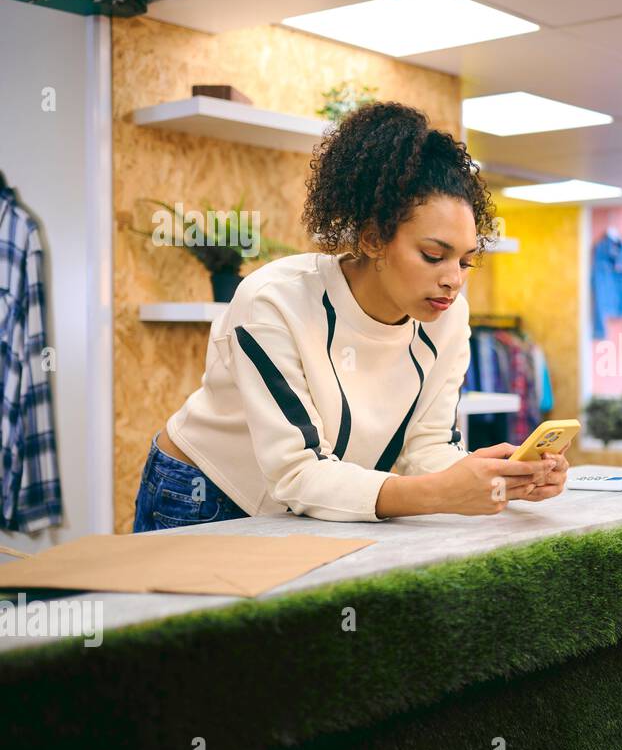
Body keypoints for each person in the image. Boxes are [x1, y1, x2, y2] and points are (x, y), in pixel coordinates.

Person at [133, 102, 567, 533]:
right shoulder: (274, 302)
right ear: (374, 239)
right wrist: (440, 493)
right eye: (434, 256)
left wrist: (501, 481)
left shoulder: (449, 319)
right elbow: (297, 474)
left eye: (466, 262)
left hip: (314, 501)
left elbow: (428, 449)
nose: (453, 280)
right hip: (204, 492)